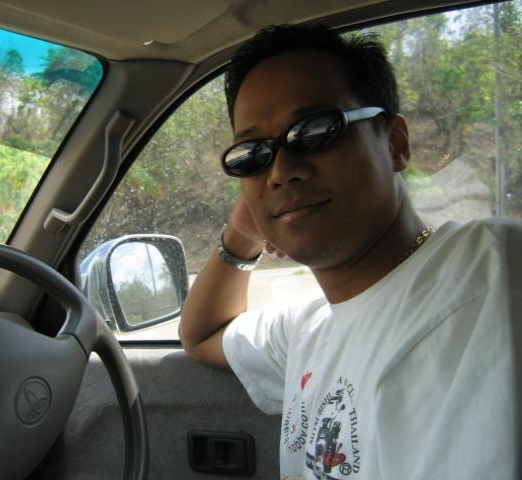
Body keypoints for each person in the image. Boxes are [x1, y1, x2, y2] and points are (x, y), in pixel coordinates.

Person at [178, 24, 521, 479]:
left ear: (395, 144)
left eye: (316, 130)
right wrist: (245, 232)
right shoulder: (310, 327)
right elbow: (200, 335)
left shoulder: (483, 272)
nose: (280, 171)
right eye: (252, 154)